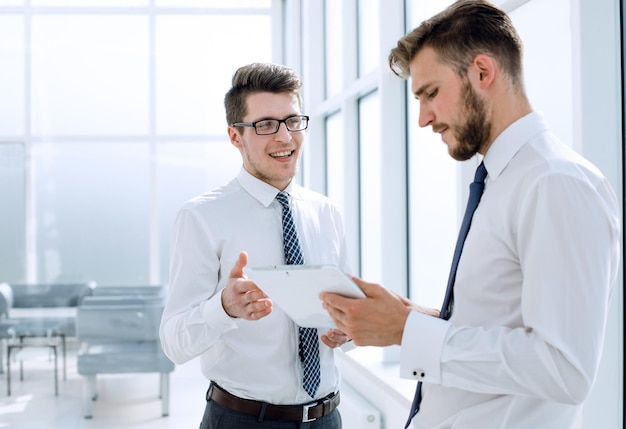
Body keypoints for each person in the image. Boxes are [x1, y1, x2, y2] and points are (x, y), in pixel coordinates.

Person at [320, 1, 621, 428]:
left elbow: (564, 368)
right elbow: (501, 325)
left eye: (430, 94)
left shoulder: (555, 183)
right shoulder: (502, 180)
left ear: (482, 72)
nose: (423, 118)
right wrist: (399, 317)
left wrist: (407, 330)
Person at [160, 62, 351, 429]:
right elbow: (174, 343)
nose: (284, 137)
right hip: (243, 420)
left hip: (327, 418)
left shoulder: (327, 212)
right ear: (235, 136)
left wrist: (346, 327)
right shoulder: (201, 216)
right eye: (265, 125)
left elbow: (346, 311)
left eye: (293, 121)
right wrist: (224, 307)